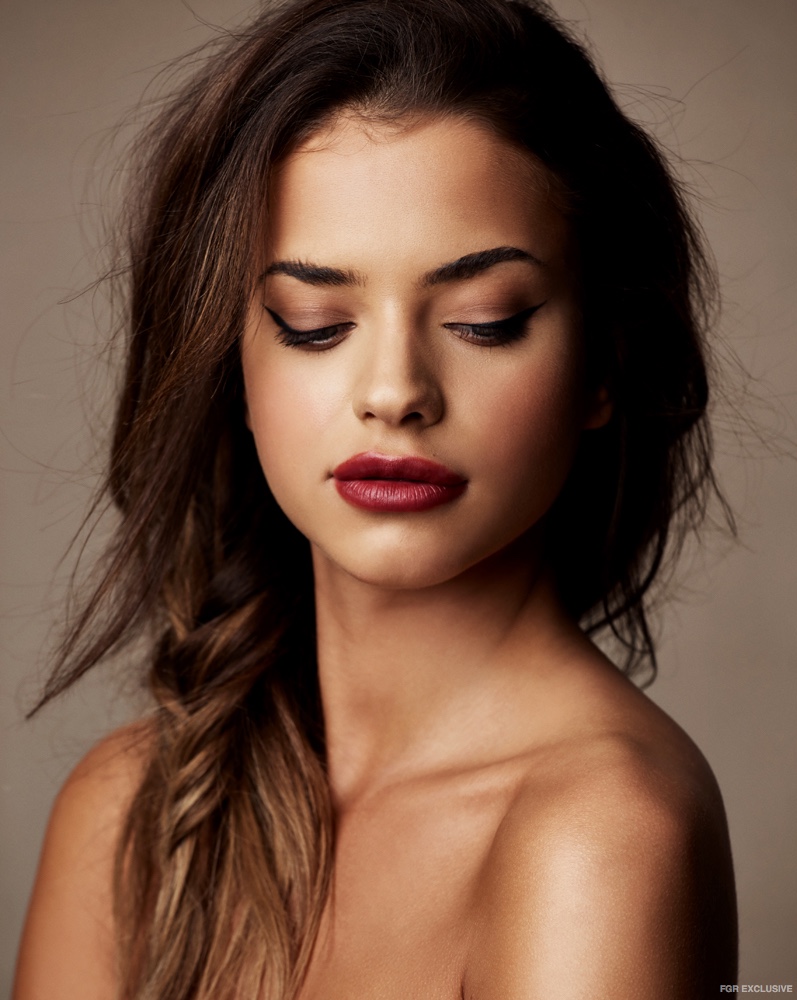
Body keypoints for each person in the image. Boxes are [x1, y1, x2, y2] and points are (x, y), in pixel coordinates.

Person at [13, 0, 738, 996]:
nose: (393, 391)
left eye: (485, 319)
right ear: (234, 364)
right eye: (313, 321)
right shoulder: (128, 807)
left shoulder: (600, 828)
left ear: (604, 365)